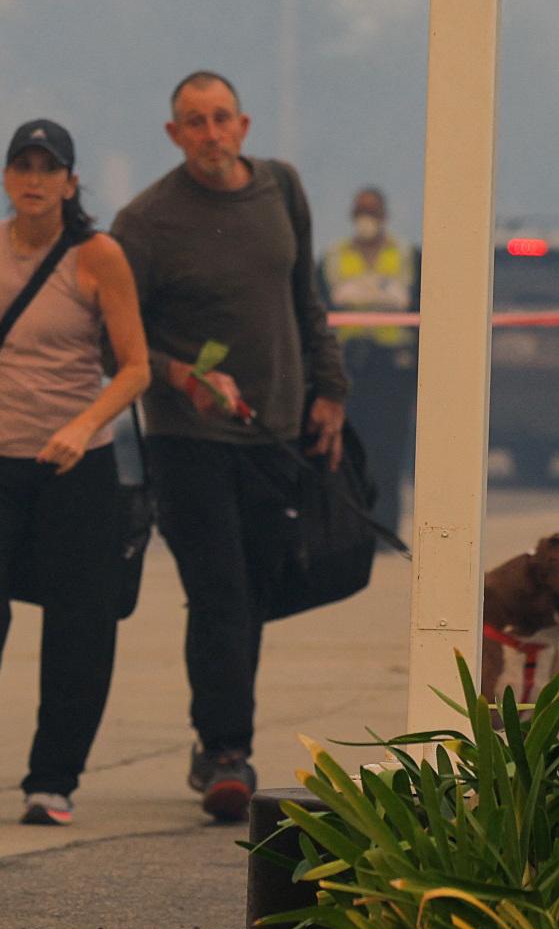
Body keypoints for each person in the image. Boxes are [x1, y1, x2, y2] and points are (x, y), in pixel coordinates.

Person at [109, 73, 348, 827]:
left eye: (221, 119)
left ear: (243, 124)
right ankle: (224, 750)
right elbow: (119, 330)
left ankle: (221, 738)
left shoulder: (282, 188)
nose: (211, 134)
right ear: (174, 134)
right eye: (194, 123)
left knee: (257, 590)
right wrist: (180, 375)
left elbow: (305, 296)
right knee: (221, 593)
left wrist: (330, 390)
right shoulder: (145, 221)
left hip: (277, 431)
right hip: (189, 440)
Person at [0, 119, 158, 830]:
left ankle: (53, 780)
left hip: (77, 466)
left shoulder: (97, 255)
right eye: (22, 165)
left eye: (48, 168)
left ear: (70, 182)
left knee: (80, 621)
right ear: (5, 176)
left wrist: (84, 426)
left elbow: (136, 367)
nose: (34, 178)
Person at [326, 185, 417, 526]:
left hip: (392, 368)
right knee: (350, 449)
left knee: (389, 451)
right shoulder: (335, 256)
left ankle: (386, 524)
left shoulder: (405, 254)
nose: (367, 218)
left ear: (384, 216)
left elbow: (416, 304)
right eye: (362, 211)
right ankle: (352, 524)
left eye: (373, 211)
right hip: (349, 367)